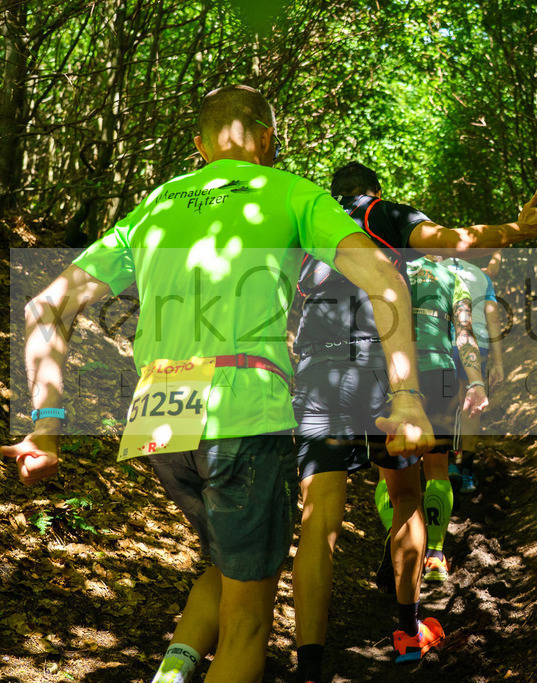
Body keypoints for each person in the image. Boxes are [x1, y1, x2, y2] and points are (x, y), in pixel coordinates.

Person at [1, 86, 432, 683]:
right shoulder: (291, 192)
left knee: (227, 567)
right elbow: (385, 279)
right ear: (267, 139)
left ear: (200, 147)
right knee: (249, 620)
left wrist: (46, 427)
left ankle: (174, 671)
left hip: (159, 417)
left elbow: (46, 307)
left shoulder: (156, 203)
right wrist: (407, 398)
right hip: (242, 411)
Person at [291, 161, 537, 675]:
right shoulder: (382, 214)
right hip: (376, 368)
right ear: (375, 191)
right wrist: (518, 230)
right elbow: (452, 241)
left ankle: (308, 664)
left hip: (315, 371)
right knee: (406, 494)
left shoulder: (309, 225)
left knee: (318, 517)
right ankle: (409, 631)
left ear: (332, 193)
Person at [374, 254, 489, 590]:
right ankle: (436, 555)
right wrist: (476, 381)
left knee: (391, 471)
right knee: (437, 468)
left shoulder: (388, 267)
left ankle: (398, 537)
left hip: (391, 371)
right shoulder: (453, 277)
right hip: (438, 373)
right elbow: (464, 333)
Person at [440, 256, 506, 493]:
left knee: (445, 404)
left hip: (441, 341)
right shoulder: (482, 276)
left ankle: (445, 466)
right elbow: (493, 319)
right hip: (476, 343)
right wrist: (498, 361)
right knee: (471, 406)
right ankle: (466, 470)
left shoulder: (434, 267)